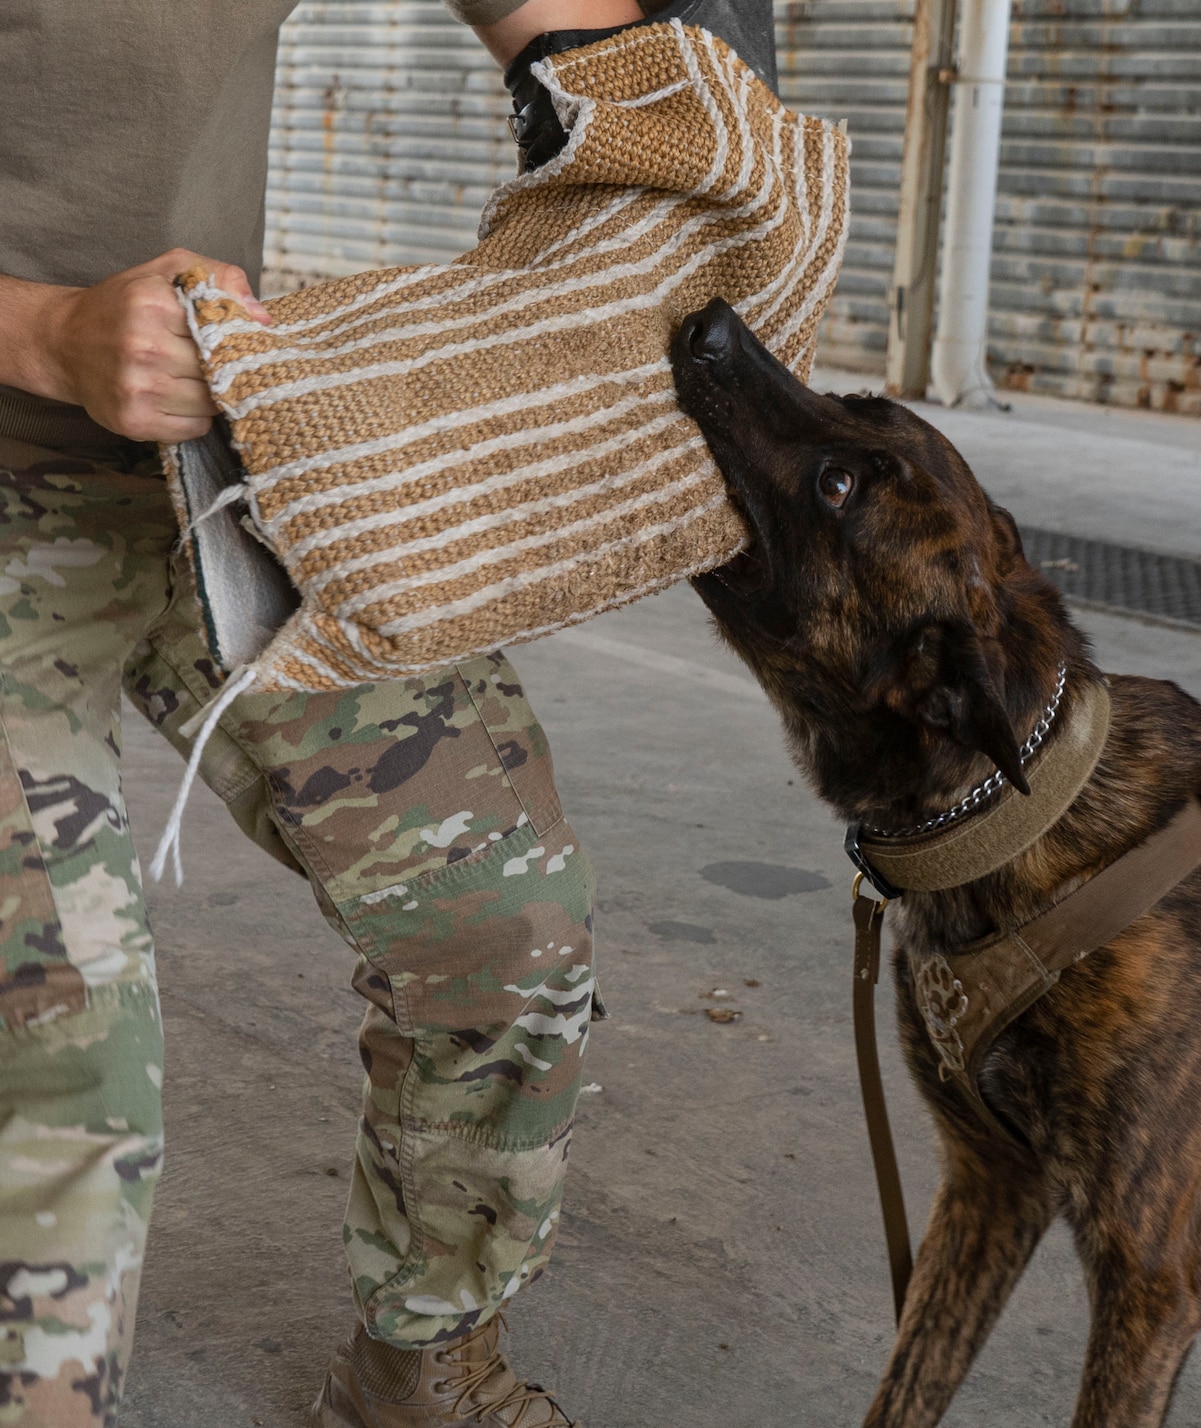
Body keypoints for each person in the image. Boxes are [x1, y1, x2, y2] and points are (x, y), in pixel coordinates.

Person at [0, 0, 766, 1421]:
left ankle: (425, 1359)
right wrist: (44, 332)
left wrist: (600, 79)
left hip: (217, 449)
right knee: (61, 1053)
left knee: (503, 922)